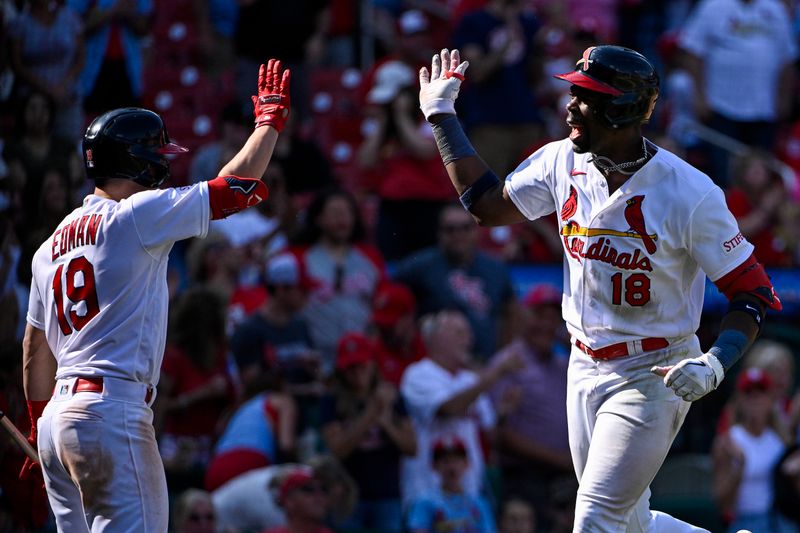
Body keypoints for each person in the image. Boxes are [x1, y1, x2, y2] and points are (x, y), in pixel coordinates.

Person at [417, 45, 781, 531]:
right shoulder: (560, 161)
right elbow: (487, 206)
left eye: (584, 96)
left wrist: (715, 363)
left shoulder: (690, 193)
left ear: (622, 109)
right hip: (584, 362)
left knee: (595, 518)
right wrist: (442, 115)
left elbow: (752, 291)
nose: (569, 104)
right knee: (630, 520)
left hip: (656, 368)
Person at [21, 59, 291, 531]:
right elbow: (239, 188)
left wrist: (41, 422)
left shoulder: (48, 247)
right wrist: (268, 123)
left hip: (56, 420)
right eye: (158, 154)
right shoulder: (134, 216)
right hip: (112, 410)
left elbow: (32, 351)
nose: (165, 163)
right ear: (136, 160)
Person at [400, 309, 522, 503]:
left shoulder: (470, 379)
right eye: (459, 333)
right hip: (426, 491)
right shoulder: (418, 374)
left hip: (469, 493)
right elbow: (449, 408)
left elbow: (491, 434)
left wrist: (503, 412)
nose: (468, 339)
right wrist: (495, 373)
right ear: (435, 337)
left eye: (468, 333)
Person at [678, 0, 798, 187]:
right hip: (721, 106)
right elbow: (692, 52)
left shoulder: (775, 10)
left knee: (762, 175)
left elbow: (787, 59)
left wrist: (784, 98)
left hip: (763, 109)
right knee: (724, 174)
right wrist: (699, 97)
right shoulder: (713, 6)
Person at [489, 284, 572, 531]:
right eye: (538, 316)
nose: (545, 325)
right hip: (523, 476)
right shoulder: (509, 362)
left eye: (552, 318)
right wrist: (560, 460)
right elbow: (500, 434)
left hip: (560, 478)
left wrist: (573, 346)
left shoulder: (562, 363)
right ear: (524, 318)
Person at [393, 203, 518, 361]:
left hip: (486, 365)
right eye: (450, 229)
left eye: (466, 228)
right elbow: (391, 296)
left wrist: (502, 356)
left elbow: (511, 311)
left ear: (477, 231)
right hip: (439, 369)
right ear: (439, 233)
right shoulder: (419, 266)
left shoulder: (495, 268)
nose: (459, 235)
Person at [319, 332, 417, 532]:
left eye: (362, 366)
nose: (357, 373)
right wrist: (371, 413)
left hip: (387, 495)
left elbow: (412, 448)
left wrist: (387, 423)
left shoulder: (393, 396)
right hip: (348, 498)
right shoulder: (331, 401)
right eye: (350, 368)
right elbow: (337, 449)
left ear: (372, 364)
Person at [711, 367, 795, 532]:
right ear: (740, 400)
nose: (755, 399)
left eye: (761, 392)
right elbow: (722, 503)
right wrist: (741, 465)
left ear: (771, 399)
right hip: (744, 523)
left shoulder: (780, 438)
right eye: (749, 393)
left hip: (780, 522)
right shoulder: (727, 442)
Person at [405, 436, 497, 533]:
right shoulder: (424, 502)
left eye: (456, 461)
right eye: (445, 461)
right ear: (434, 466)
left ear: (466, 463)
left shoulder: (479, 503)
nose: (452, 467)